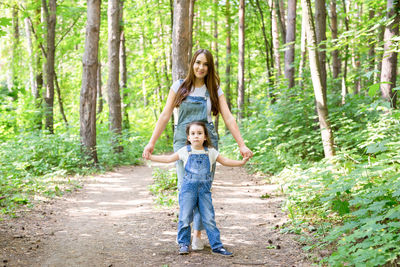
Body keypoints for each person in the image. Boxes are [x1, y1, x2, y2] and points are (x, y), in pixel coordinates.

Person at [142, 48, 253, 249]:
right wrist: (152, 142)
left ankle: (197, 235)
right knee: (185, 187)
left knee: (203, 187)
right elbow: (165, 115)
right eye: (198, 62)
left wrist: (242, 145)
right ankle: (184, 233)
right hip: (182, 141)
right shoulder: (179, 86)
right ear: (192, 63)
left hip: (207, 142)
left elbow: (228, 117)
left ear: (210, 68)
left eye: (205, 64)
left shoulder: (214, 90)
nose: (201, 67)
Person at [148, 121, 249, 255]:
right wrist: (151, 157)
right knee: (185, 217)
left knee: (209, 218)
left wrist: (240, 163)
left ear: (205, 137)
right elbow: (168, 159)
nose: (196, 136)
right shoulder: (184, 151)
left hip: (204, 192)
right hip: (188, 191)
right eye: (193, 133)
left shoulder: (211, 152)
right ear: (188, 137)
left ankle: (217, 246)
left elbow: (225, 161)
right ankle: (183, 244)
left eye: (200, 133)